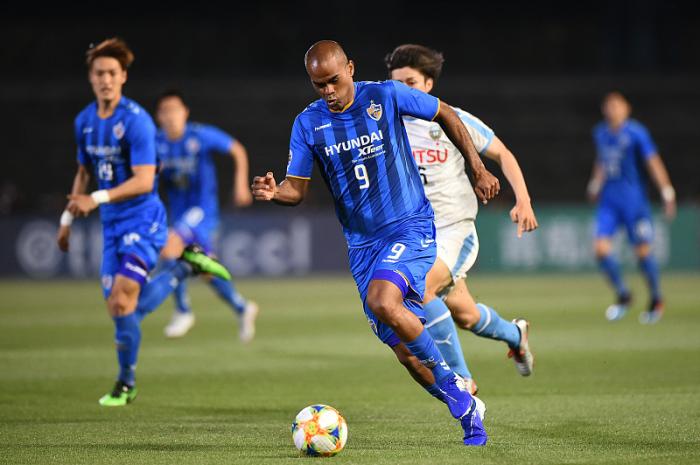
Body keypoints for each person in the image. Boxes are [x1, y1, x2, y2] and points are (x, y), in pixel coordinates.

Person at [252, 40, 501, 446]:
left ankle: (452, 381)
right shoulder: (308, 123)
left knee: (383, 301)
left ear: (350, 68)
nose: (328, 91)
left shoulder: (384, 96)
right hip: (363, 247)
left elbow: (446, 112)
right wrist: (273, 192)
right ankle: (468, 410)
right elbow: (295, 189)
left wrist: (477, 168)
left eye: (334, 80)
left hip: (410, 227)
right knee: (406, 355)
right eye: (319, 85)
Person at [56, 38, 227, 406]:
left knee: (123, 294)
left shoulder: (136, 122)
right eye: (99, 73)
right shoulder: (84, 122)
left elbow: (145, 180)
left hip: (144, 220)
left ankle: (125, 383)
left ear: (123, 77)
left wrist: (95, 199)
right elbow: (84, 172)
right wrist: (67, 218)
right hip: (112, 225)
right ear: (91, 77)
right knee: (120, 308)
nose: (106, 79)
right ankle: (183, 269)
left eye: (112, 73)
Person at [385, 44, 537, 388]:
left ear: (428, 85)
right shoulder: (387, 126)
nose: (403, 91)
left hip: (454, 228)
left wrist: (523, 200)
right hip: (415, 234)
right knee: (466, 315)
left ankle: (462, 379)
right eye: (396, 84)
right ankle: (516, 334)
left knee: (418, 287)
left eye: (411, 82)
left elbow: (502, 154)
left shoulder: (451, 119)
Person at [154, 90, 258, 340]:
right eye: (165, 111)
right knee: (205, 268)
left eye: (175, 110)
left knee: (170, 246)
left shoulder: (199, 135)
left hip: (203, 210)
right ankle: (242, 307)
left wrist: (241, 185)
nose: (171, 116)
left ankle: (183, 311)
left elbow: (237, 150)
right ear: (159, 117)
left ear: (185, 113)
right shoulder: (156, 143)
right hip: (179, 213)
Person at [587, 91, 676, 324]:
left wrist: (667, 191)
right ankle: (624, 294)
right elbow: (602, 161)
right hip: (609, 202)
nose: (612, 110)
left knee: (643, 252)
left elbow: (653, 162)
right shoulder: (600, 133)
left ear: (627, 109)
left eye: (617, 106)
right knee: (600, 249)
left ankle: (656, 298)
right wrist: (595, 184)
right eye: (609, 106)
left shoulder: (637, 133)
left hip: (634, 203)